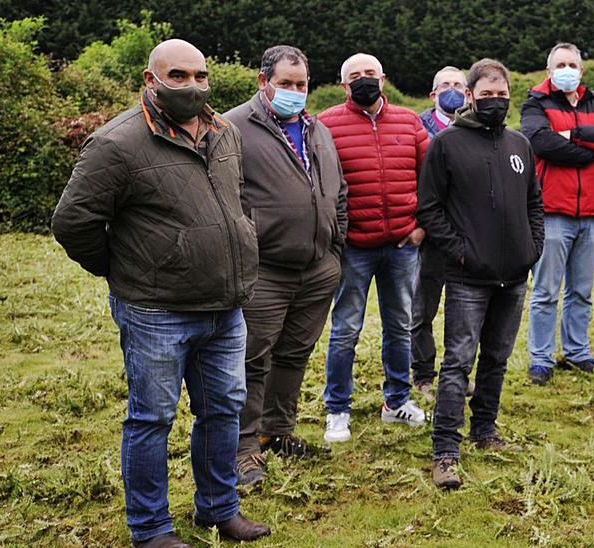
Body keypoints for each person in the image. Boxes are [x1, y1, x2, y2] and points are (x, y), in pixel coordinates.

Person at [52, 39, 270, 547]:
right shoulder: (117, 144)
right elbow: (73, 222)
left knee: (223, 411)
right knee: (152, 417)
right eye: (178, 76)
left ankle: (218, 510)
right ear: (150, 80)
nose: (192, 86)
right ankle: (150, 530)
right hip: (157, 311)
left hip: (225, 306)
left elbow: (237, 203)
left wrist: (241, 242)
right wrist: (127, 271)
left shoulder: (225, 133)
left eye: (200, 76)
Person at [416, 59, 545, 489]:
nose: (494, 101)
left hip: (514, 276)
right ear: (470, 96)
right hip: (469, 277)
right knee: (457, 362)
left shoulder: (519, 144)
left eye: (501, 94)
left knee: (497, 358)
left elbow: (534, 203)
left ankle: (485, 430)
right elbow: (430, 209)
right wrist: (462, 253)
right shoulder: (447, 145)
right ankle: (445, 451)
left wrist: (533, 247)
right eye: (485, 95)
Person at [224, 45, 345, 489]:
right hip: (265, 270)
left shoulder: (317, 130)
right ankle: (242, 448)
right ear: (263, 83)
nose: (295, 92)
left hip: (317, 268)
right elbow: (225, 197)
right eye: (286, 84)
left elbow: (338, 190)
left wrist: (336, 249)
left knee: (295, 353)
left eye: (301, 85)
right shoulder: (234, 127)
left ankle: (279, 429)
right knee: (252, 358)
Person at [319, 53, 429, 443]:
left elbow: (430, 177)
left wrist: (420, 228)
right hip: (354, 248)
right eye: (355, 76)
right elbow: (319, 185)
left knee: (400, 326)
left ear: (383, 79)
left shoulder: (409, 121)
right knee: (346, 327)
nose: (363, 80)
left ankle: (396, 400)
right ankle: (337, 408)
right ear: (343, 83)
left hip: (402, 244)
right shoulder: (326, 125)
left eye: (370, 74)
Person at [520, 42, 594, 385]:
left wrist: (575, 134)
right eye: (561, 64)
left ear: (581, 70)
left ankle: (577, 351)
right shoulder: (536, 102)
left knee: (581, 290)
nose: (568, 69)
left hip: (591, 212)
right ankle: (541, 357)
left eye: (573, 64)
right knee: (546, 291)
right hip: (552, 211)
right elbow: (540, 142)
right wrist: (588, 152)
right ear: (549, 71)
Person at [412, 66, 470, 398]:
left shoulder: (476, 126)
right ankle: (422, 374)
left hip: (467, 232)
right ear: (433, 94)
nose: (453, 90)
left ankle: (457, 373)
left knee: (463, 310)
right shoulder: (418, 127)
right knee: (423, 306)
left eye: (459, 85)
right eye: (445, 85)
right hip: (431, 232)